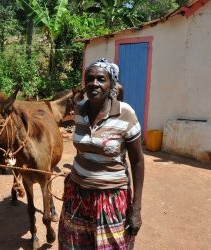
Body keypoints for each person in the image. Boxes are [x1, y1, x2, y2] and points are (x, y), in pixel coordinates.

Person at [58, 58, 145, 249]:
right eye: (89, 78)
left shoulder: (126, 114)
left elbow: (138, 161)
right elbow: (83, 150)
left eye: (101, 79)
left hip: (111, 199)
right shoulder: (80, 109)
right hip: (77, 196)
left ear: (111, 84)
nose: (94, 83)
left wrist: (136, 209)